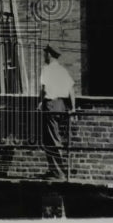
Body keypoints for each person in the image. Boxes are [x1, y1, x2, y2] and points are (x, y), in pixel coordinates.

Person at [38, 44, 75, 180]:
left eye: (45, 53)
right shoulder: (62, 70)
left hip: (51, 105)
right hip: (61, 106)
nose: (44, 56)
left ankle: (59, 173)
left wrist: (40, 101)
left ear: (49, 55)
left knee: (52, 140)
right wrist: (73, 108)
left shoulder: (47, 69)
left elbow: (43, 89)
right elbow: (71, 90)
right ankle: (53, 170)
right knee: (51, 139)